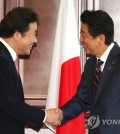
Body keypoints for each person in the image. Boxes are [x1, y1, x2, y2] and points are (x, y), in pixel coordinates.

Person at [53, 10, 120, 134]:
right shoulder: (91, 64)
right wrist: (61, 114)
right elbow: (82, 100)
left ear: (100, 38)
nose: (80, 39)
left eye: (84, 34)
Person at [0, 7, 62, 134]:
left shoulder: (5, 57)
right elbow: (11, 105)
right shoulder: (1, 59)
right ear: (17, 35)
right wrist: (45, 116)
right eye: (34, 34)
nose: (35, 40)